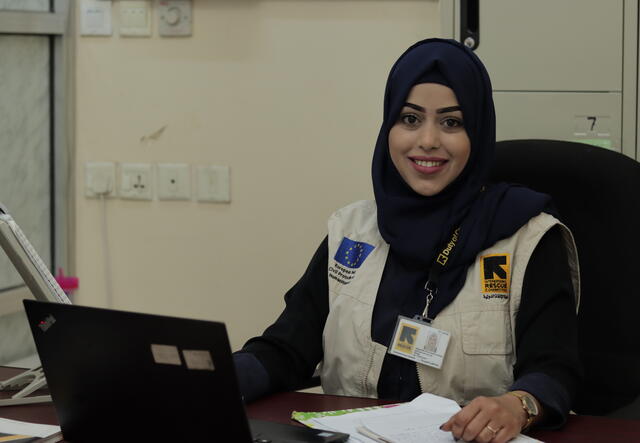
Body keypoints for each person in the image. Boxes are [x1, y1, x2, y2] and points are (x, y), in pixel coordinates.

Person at [234, 38, 581, 442]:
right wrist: (218, 377)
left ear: (478, 132)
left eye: (451, 122)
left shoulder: (529, 239)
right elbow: (286, 349)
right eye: (410, 119)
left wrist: (520, 404)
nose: (428, 140)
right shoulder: (352, 230)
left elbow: (556, 370)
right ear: (388, 129)